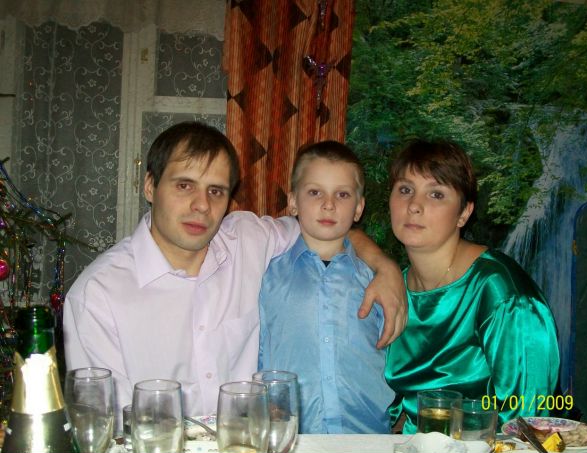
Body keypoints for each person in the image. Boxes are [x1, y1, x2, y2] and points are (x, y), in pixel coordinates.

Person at [62, 122, 406, 425]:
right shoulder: (97, 295)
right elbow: (106, 427)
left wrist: (384, 266)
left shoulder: (248, 239)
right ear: (150, 186)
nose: (201, 205)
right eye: (184, 185)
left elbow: (328, 228)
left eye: (215, 191)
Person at [385, 139, 560, 433]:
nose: (414, 205)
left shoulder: (503, 294)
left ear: (464, 213)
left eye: (436, 194)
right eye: (405, 190)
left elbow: (529, 420)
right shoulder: (393, 288)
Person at [258, 141, 394, 434]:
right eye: (315, 192)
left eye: (342, 194)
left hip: (367, 438)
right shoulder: (266, 278)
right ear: (293, 201)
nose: (328, 204)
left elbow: (395, 360)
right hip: (291, 441)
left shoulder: (378, 282)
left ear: (359, 208)